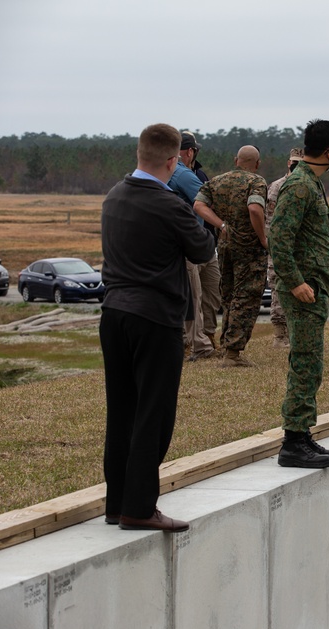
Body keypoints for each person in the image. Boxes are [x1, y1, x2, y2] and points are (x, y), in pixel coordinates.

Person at [99, 123, 215, 532]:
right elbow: (202, 249)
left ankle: (116, 503)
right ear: (174, 160)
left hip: (114, 314)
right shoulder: (169, 205)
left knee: (123, 410)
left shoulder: (114, 196)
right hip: (155, 318)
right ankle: (140, 507)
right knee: (154, 412)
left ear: (139, 154)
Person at [269, 119, 329, 468]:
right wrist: (296, 281)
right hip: (303, 290)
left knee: (310, 362)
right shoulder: (299, 186)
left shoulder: (310, 182)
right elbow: (279, 239)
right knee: (305, 363)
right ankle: (293, 441)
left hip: (313, 288)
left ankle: (302, 434)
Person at [194, 145, 268, 367]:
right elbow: (255, 209)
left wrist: (220, 224)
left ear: (236, 160)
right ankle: (232, 353)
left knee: (228, 297)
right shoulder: (256, 182)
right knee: (246, 298)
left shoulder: (217, 181)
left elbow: (198, 205)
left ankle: (227, 344)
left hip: (225, 246)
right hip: (249, 249)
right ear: (257, 164)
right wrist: (263, 238)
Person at [168, 132, 219, 361]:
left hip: (197, 242)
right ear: (189, 152)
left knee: (207, 292)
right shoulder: (183, 174)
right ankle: (199, 346)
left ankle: (204, 337)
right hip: (189, 243)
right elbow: (209, 199)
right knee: (194, 297)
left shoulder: (176, 172)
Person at [264, 147, 305, 347]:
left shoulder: (307, 185)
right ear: (289, 163)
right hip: (280, 247)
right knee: (278, 290)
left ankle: (296, 333)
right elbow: (269, 221)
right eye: (294, 163)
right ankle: (280, 335)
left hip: (301, 249)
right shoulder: (277, 187)